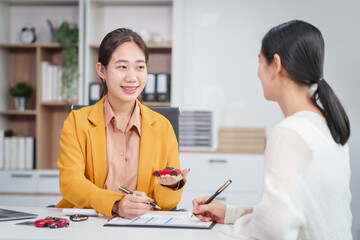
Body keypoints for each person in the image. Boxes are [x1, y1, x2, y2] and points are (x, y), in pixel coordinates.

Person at [192, 20, 352, 239]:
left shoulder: (289, 132)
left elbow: (273, 229)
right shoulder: (328, 124)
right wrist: (230, 213)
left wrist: (226, 232)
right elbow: (294, 213)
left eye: (259, 61)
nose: (258, 71)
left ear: (276, 64)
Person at [56, 28, 190, 219]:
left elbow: (166, 204)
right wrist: (116, 204)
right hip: (89, 222)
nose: (132, 78)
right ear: (102, 70)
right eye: (122, 67)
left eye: (140, 67)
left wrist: (171, 185)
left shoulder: (162, 127)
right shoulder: (78, 122)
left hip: (142, 226)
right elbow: (70, 182)